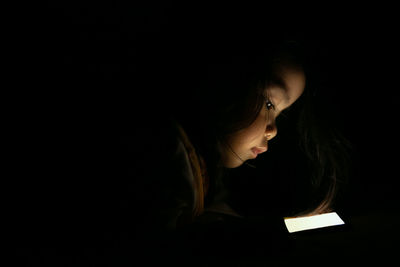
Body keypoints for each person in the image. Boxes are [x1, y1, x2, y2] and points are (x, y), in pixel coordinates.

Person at [114, 28, 352, 266]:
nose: (274, 130)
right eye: (270, 103)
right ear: (225, 81)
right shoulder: (167, 155)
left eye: (280, 115)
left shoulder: (203, 171)